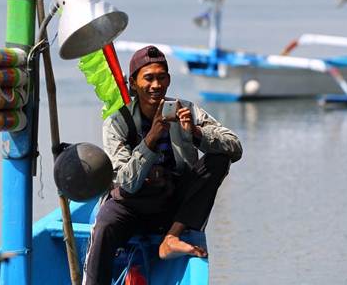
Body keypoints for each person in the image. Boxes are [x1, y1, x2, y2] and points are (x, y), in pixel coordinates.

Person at [82, 45, 242, 285]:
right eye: (148, 78)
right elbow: (126, 183)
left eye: (161, 77)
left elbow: (235, 146)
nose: (156, 85)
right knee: (104, 224)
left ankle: (172, 237)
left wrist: (197, 134)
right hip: (132, 205)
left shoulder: (185, 110)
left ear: (168, 80)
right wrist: (151, 139)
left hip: (174, 205)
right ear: (133, 84)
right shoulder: (118, 122)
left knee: (218, 158)